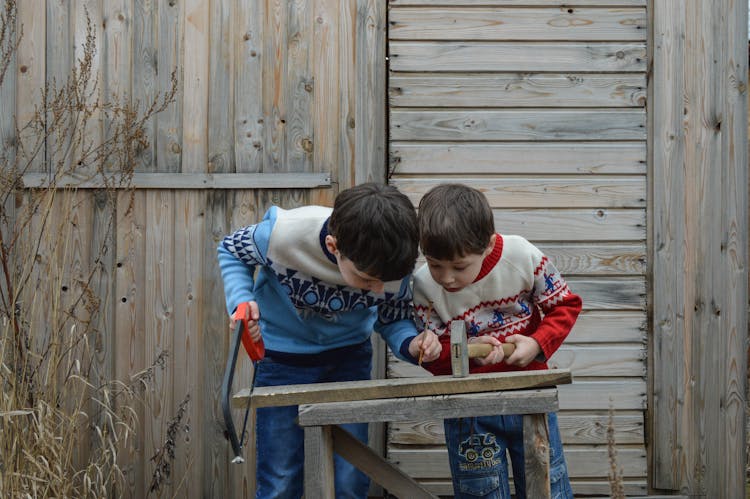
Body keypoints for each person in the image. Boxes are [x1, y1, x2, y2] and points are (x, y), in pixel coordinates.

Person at [217, 182, 441, 499]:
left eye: (385, 282)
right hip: (281, 361)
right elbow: (230, 249)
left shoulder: (393, 264)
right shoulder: (284, 235)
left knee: (352, 476)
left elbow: (393, 320)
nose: (377, 289)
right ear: (334, 247)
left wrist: (413, 344)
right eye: (366, 279)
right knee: (280, 478)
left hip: (349, 360)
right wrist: (241, 301)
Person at [413, 183, 581, 499]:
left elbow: (564, 305)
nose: (446, 278)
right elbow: (434, 357)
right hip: (468, 409)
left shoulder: (521, 256)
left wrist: (537, 344)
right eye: (435, 265)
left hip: (530, 398)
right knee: (481, 491)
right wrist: (451, 354)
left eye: (459, 267)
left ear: (489, 245)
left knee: (547, 486)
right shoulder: (423, 285)